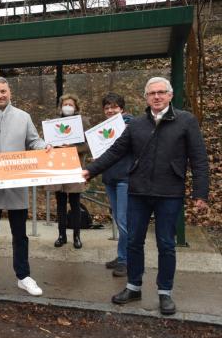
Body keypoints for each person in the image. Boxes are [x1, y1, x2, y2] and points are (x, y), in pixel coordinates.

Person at [83, 77, 209, 315]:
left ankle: (165, 292)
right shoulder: (137, 125)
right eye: (152, 93)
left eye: (162, 92)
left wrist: (200, 192)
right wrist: (90, 170)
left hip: (169, 192)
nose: (157, 97)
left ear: (170, 95)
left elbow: (199, 159)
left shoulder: (186, 121)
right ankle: (133, 286)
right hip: (138, 191)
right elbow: (115, 152)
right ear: (146, 97)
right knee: (133, 241)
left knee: (166, 244)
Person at [0, 77, 51, 297]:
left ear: (9, 92)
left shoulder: (23, 117)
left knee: (20, 233)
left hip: (17, 183)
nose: (0, 95)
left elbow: (34, 141)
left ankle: (23, 276)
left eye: (3, 91)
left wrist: (45, 146)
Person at [46, 94, 90, 250]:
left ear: (76, 106)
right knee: (60, 203)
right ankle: (61, 235)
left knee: (75, 203)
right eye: (65, 104)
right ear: (61, 106)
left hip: (75, 166)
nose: (68, 107)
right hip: (58, 167)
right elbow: (47, 142)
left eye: (71, 104)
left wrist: (73, 148)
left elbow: (88, 145)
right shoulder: (54, 123)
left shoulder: (83, 122)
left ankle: (77, 236)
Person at [100, 92, 133, 277]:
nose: (110, 110)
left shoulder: (130, 124)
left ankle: (126, 261)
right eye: (107, 107)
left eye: (114, 107)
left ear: (122, 108)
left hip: (125, 179)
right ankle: (122, 255)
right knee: (119, 219)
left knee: (123, 220)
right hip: (110, 178)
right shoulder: (104, 129)